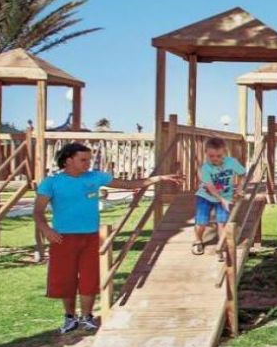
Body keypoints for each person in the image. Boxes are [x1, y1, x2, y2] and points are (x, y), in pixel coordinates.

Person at [34, 142, 182, 335]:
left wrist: (158, 178)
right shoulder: (51, 182)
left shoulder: (95, 177)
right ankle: (70, 318)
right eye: (83, 160)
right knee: (65, 279)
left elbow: (129, 184)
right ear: (68, 160)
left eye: (89, 159)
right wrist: (46, 230)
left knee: (89, 278)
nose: (88, 163)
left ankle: (87, 317)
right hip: (63, 238)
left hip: (91, 236)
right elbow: (38, 211)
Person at [194, 137, 246, 259]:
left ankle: (221, 246)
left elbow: (243, 174)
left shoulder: (232, 162)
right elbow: (211, 188)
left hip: (225, 196)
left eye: (219, 156)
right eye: (211, 156)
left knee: (222, 222)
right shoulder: (206, 168)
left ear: (225, 153)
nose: (215, 159)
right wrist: (222, 200)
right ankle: (198, 241)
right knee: (201, 222)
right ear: (206, 153)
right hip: (205, 196)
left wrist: (239, 188)